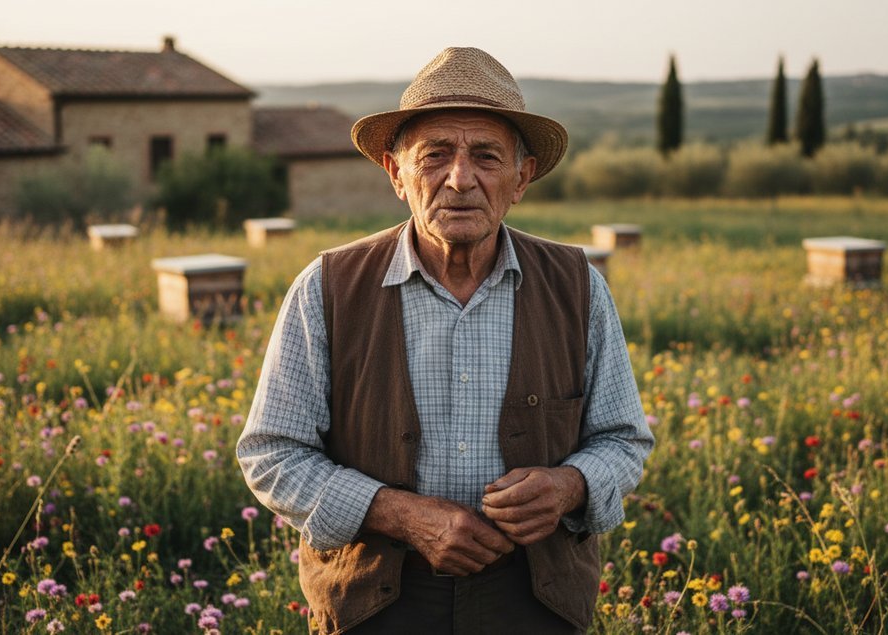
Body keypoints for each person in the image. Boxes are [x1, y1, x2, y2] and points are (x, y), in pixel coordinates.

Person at [237, 47, 653, 635]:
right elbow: (272, 453)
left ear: (521, 177)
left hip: (536, 600)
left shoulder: (577, 286)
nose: (460, 179)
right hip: (374, 602)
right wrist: (400, 515)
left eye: (486, 156)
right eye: (435, 155)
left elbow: (622, 440)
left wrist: (569, 486)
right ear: (396, 173)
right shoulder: (327, 288)